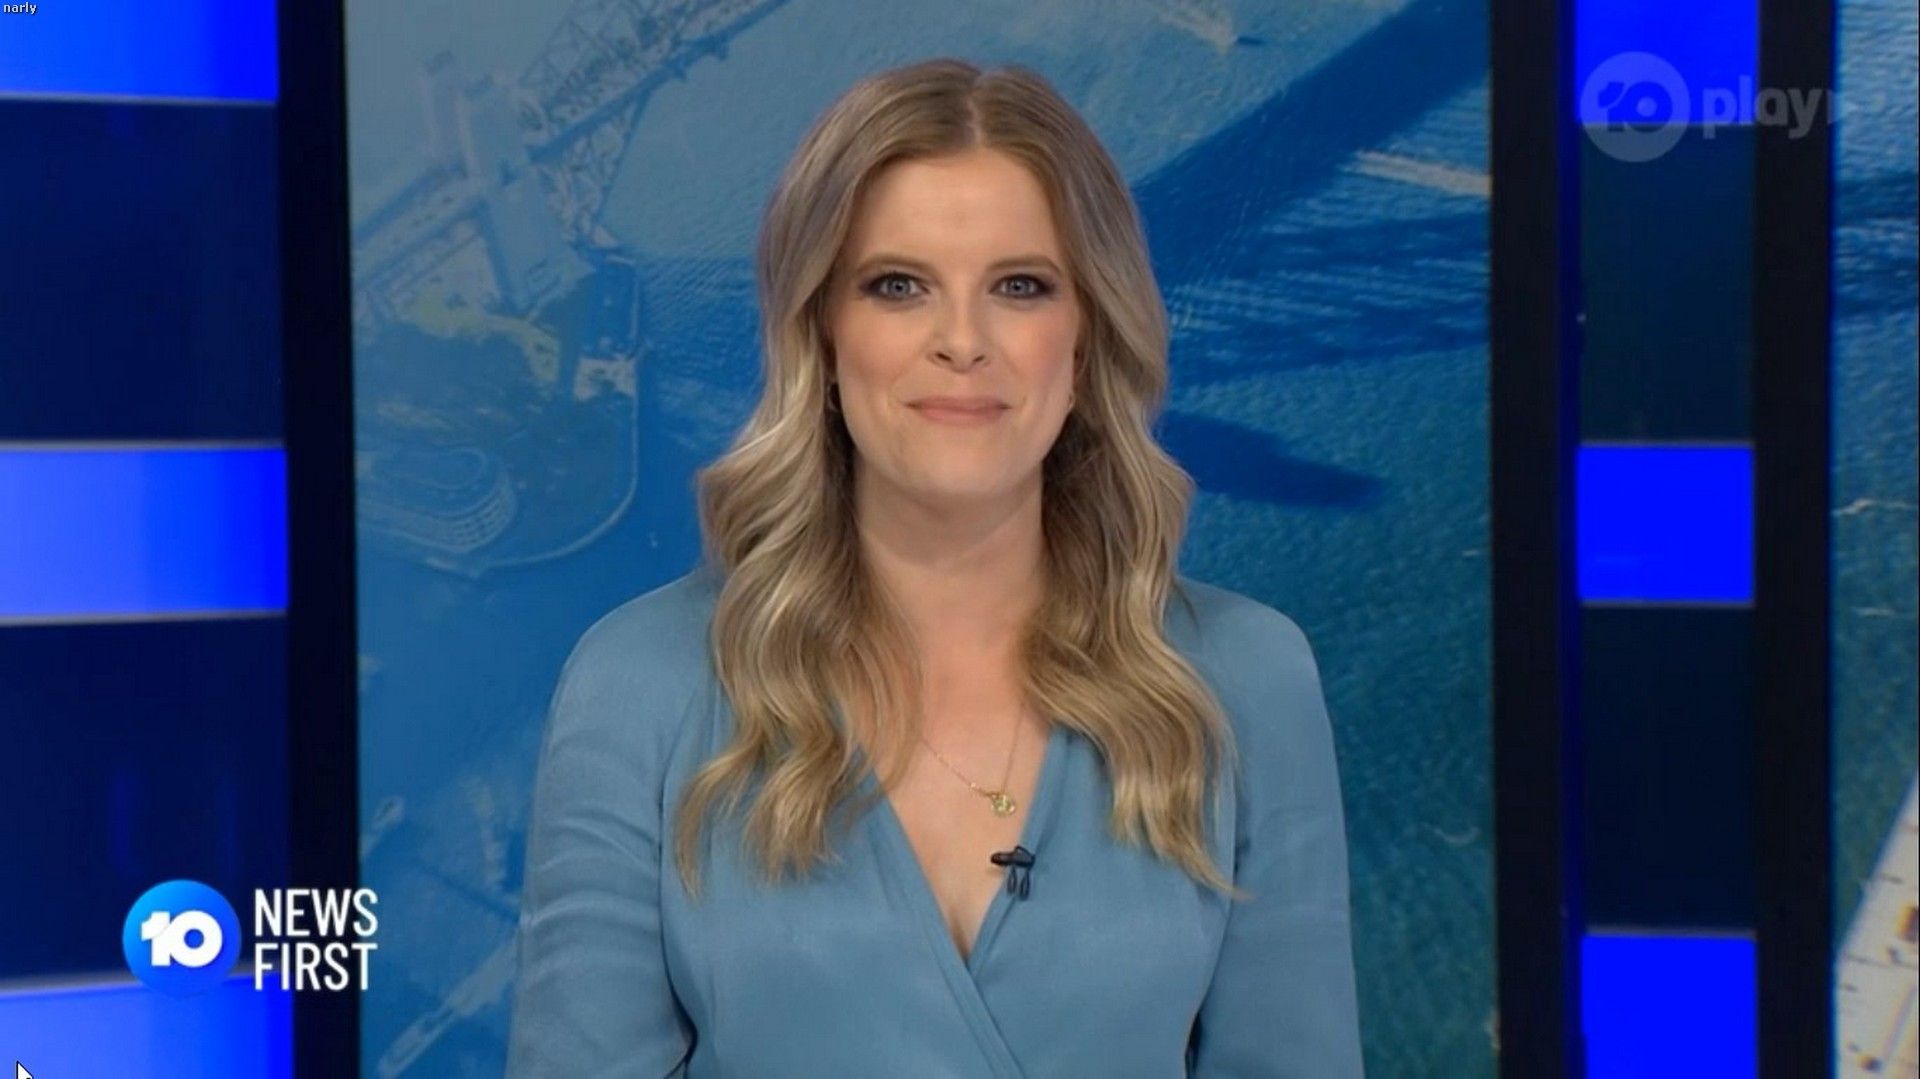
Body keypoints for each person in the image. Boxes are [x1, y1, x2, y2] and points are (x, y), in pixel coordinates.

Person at [506, 57, 1362, 1077]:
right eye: (898, 286)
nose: (962, 340)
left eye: (1020, 286)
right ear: (822, 332)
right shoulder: (640, 681)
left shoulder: (1248, 677)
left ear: (1085, 338)